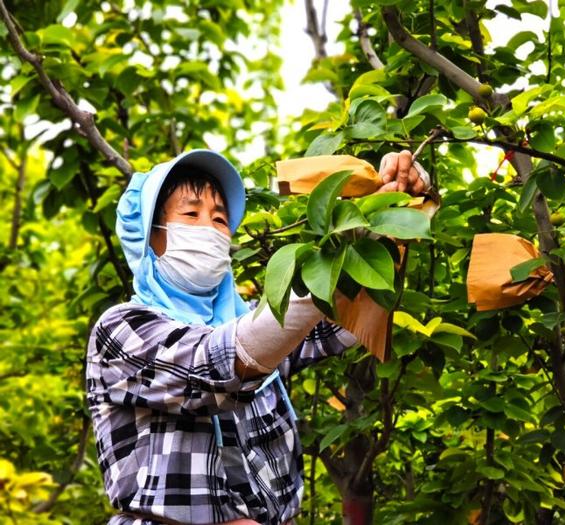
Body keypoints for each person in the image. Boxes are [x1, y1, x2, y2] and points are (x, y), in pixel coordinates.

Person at [86, 149, 429, 525]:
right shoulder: (121, 328)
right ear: (151, 239)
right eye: (190, 214)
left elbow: (341, 322)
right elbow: (215, 363)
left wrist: (398, 208)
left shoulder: (250, 318)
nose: (209, 228)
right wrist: (323, 263)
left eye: (219, 219)